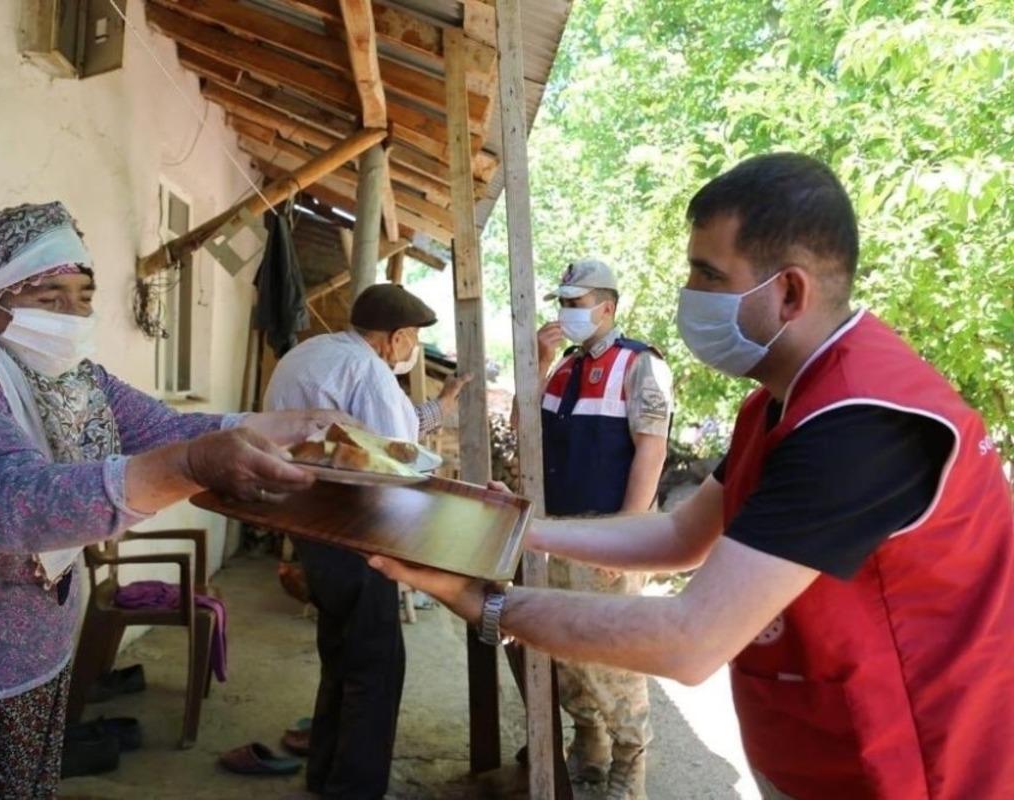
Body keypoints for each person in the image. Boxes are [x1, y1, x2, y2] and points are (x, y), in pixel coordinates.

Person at [369, 154, 1014, 799]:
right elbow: (681, 535)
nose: (689, 294)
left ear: (789, 291)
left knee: (618, 693)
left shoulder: (861, 420)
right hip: (832, 745)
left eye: (707, 273)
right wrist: (522, 530)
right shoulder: (778, 402)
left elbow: (690, 640)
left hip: (925, 766)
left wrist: (487, 605)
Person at [0, 202, 342, 797]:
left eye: (83, 295)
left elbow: (167, 430)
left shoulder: (74, 383)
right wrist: (188, 468)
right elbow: (12, 503)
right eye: (47, 297)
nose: (71, 315)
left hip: (26, 668)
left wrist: (291, 430)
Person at [264, 282, 468, 800]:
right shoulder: (371, 373)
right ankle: (352, 789)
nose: (411, 350)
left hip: (309, 520)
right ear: (396, 337)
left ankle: (326, 775)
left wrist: (440, 406)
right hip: (350, 528)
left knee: (342, 652)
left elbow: (377, 432)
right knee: (376, 666)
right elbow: (396, 457)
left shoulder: (316, 351)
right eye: (412, 340)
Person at [533, 258, 672, 796]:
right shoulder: (563, 366)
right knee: (565, 647)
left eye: (577, 303)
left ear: (607, 307)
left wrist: (628, 541)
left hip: (607, 537)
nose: (567, 313)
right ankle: (587, 744)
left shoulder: (642, 365)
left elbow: (651, 451)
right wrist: (540, 361)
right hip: (557, 531)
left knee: (610, 650)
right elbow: (532, 429)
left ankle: (629, 765)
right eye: (563, 303)